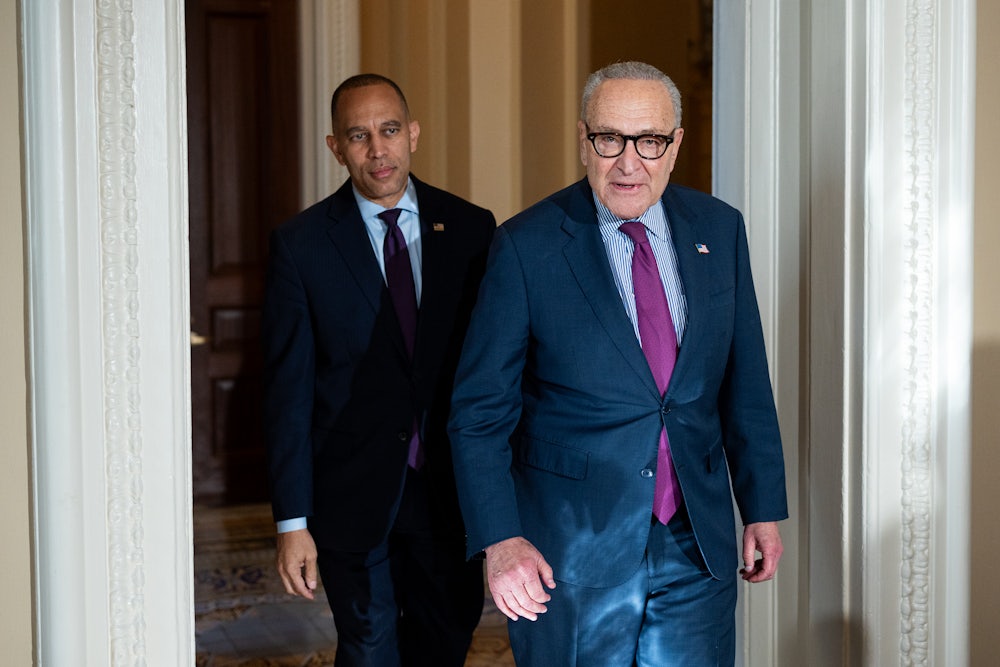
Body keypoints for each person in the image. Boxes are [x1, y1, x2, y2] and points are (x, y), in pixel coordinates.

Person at [447, 61, 788, 666]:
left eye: (650, 140)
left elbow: (746, 387)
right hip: (569, 556)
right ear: (584, 139)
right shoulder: (526, 247)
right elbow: (479, 414)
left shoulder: (720, 230)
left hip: (696, 546)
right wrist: (501, 539)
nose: (629, 162)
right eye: (610, 139)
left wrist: (762, 509)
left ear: (676, 145)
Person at [261, 73, 496, 667]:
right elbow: (287, 393)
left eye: (389, 130)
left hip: (451, 496)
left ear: (413, 133)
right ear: (335, 147)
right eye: (358, 135)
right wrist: (292, 522)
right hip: (352, 499)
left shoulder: (472, 229)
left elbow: (497, 372)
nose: (378, 150)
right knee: (368, 649)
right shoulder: (302, 244)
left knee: (443, 646)